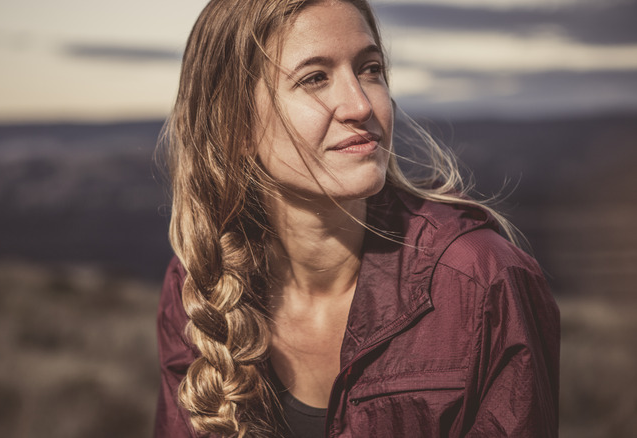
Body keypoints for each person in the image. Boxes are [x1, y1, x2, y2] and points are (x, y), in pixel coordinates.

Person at [154, 0, 559, 437]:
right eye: (314, 78)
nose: (361, 104)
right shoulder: (201, 285)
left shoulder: (481, 280)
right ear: (235, 127)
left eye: (370, 69)